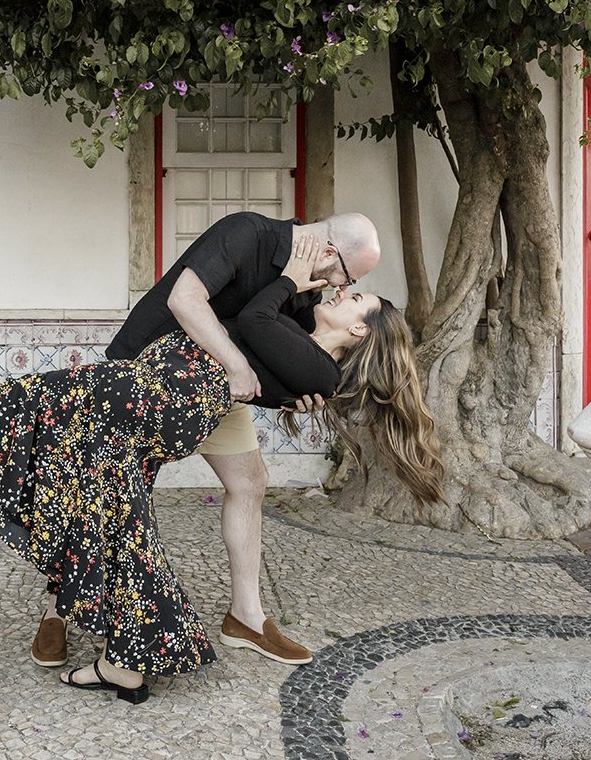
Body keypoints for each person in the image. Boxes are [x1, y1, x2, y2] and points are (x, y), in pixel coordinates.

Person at [0, 236, 441, 703]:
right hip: (152, 392)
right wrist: (294, 301)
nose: (338, 291)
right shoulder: (307, 355)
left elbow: (252, 320)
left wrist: (294, 280)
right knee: (116, 519)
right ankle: (127, 665)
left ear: (360, 331)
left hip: (155, 401)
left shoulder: (318, 367)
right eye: (345, 281)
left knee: (21, 407)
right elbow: (260, 341)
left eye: (352, 294)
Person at [29, 211, 383, 672]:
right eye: (346, 277)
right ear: (331, 253)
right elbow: (185, 299)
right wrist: (239, 365)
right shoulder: (246, 233)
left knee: (250, 482)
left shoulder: (307, 287)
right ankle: (58, 612)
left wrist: (296, 395)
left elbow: (283, 344)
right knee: (104, 496)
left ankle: (246, 617)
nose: (339, 288)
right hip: (148, 379)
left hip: (214, 390)